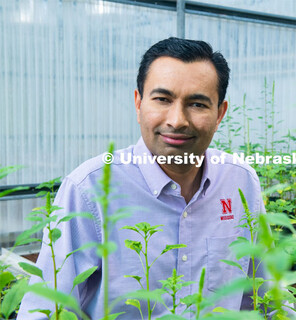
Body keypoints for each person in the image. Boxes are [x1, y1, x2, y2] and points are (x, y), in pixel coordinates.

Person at [18, 37, 265, 319]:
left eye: (197, 104)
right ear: (138, 103)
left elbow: (263, 295)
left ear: (220, 113)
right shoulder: (90, 189)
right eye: (162, 99)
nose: (177, 120)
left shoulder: (240, 182)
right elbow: (47, 310)